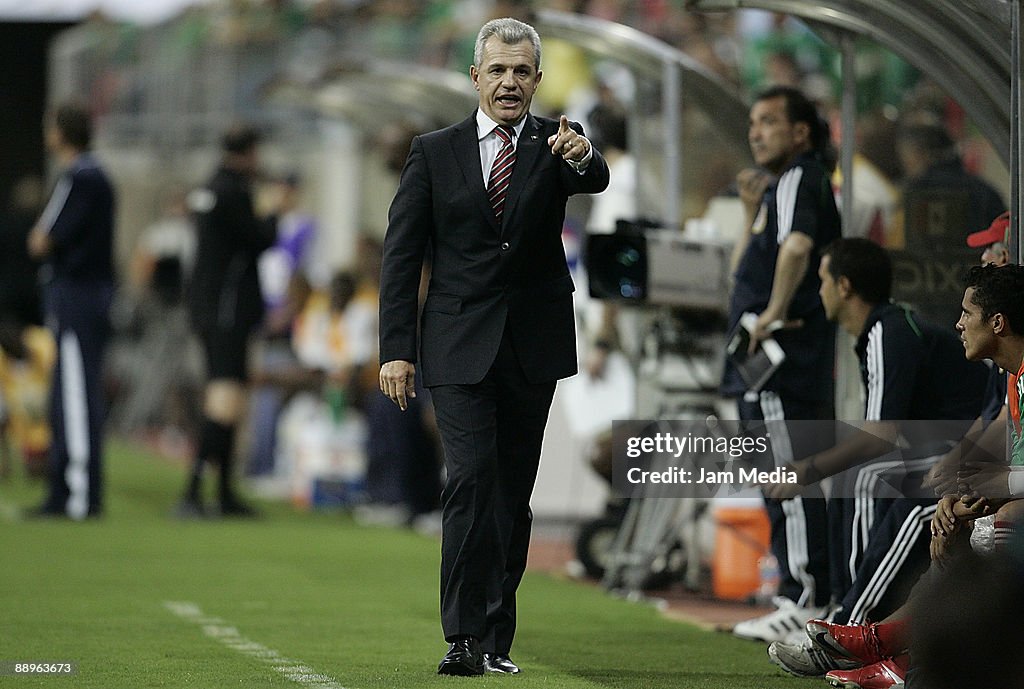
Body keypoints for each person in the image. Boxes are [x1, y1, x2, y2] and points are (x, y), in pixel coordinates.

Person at [378, 17, 609, 676]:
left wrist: (585, 155)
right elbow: (401, 256)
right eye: (498, 70)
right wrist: (396, 347)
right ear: (475, 77)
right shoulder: (433, 150)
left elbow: (594, 179)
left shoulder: (556, 144)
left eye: (521, 71)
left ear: (537, 79)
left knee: (511, 495)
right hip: (453, 343)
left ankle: (495, 635)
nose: (509, 82)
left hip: (532, 346)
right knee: (471, 478)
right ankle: (461, 635)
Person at [787, 262, 1024, 689]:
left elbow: (880, 435)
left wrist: (988, 487)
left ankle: (869, 633)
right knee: (954, 523)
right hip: (948, 461)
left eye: (967, 314)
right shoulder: (1014, 378)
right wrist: (962, 493)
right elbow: (999, 447)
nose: (958, 324)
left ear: (998, 321)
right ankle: (890, 651)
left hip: (942, 456)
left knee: (989, 521)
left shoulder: (888, 330)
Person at [724, 85, 841, 644]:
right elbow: (751, 264)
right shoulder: (781, 186)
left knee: (785, 473)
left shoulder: (800, 176)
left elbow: (795, 248)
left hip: (781, 360)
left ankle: (804, 596)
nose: (756, 131)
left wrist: (769, 315)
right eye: (753, 121)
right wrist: (752, 211)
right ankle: (799, 591)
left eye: (768, 120)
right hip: (770, 362)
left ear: (800, 132)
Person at [175, 124, 280, 518]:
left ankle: (221, 491)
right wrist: (271, 210)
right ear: (251, 152)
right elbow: (260, 239)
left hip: (208, 307)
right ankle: (195, 491)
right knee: (224, 399)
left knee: (227, 398)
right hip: (227, 311)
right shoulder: (233, 193)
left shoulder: (208, 188)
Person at [26, 102, 116, 520]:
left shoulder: (81, 177)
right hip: (83, 295)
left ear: (62, 132)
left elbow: (44, 238)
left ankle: (79, 493)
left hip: (78, 294)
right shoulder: (91, 178)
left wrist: (43, 240)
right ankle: (63, 490)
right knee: (67, 391)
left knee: (76, 394)